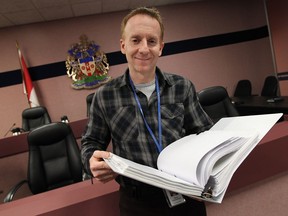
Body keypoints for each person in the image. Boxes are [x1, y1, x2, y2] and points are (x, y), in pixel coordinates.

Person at [81, 6, 213, 216]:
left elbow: (205, 135)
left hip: (185, 192)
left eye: (151, 41)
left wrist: (207, 173)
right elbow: (91, 142)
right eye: (136, 40)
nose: (144, 48)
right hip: (137, 203)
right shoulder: (104, 96)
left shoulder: (182, 87)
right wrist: (91, 161)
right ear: (123, 46)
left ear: (160, 47)